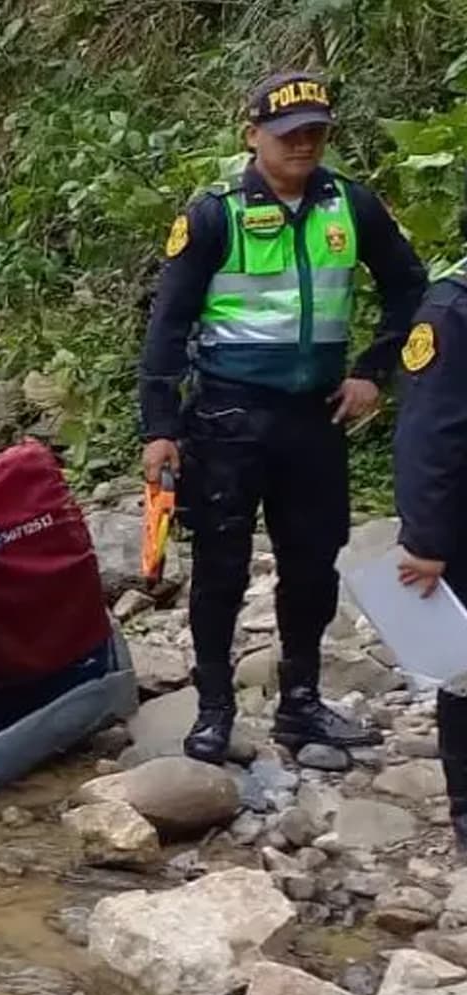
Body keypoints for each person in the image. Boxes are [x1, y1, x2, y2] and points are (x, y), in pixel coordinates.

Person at [137, 72, 428, 764]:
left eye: (315, 133)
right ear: (253, 137)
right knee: (220, 569)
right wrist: (158, 428)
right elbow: (168, 323)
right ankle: (213, 710)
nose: (303, 144)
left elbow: (408, 287)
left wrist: (372, 371)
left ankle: (301, 704)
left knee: (311, 566)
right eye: (289, 134)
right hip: (226, 418)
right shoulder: (216, 214)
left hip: (315, 418)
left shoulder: (348, 205)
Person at [393, 168, 467, 851]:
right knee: (466, 670)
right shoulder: (452, 310)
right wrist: (426, 537)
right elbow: (429, 437)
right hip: (463, 522)